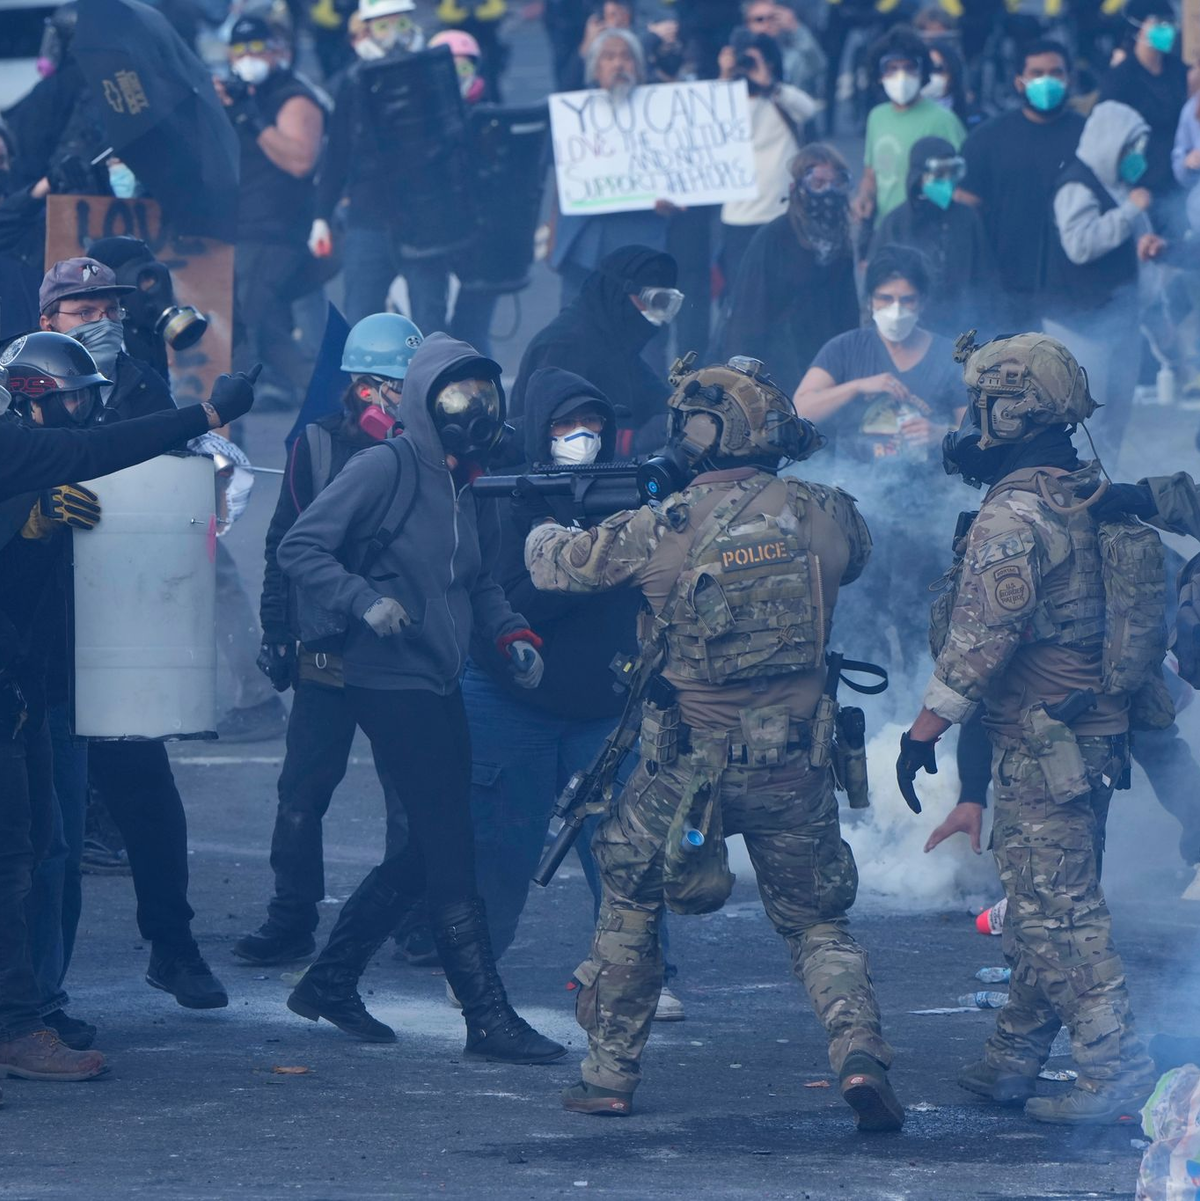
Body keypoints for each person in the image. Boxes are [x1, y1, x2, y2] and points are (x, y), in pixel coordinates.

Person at [524, 356, 903, 1129]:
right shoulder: (825, 511)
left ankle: (608, 1073)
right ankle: (859, 1053)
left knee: (628, 892)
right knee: (815, 920)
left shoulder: (657, 528)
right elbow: (855, 557)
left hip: (685, 768)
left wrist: (551, 519)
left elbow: (552, 566)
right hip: (795, 763)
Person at [275, 333, 565, 1064]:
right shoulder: (385, 466)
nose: (478, 411)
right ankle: (486, 1016)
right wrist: (362, 599)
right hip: (383, 676)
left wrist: (511, 636)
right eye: (460, 397)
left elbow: (479, 581)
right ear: (424, 402)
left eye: (486, 397)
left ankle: (331, 979)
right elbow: (300, 547)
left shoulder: (469, 482)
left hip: (438, 677)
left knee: (429, 842)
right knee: (449, 846)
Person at [898, 332, 1159, 1125]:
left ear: (1010, 409)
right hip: (1087, 738)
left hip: (1042, 747)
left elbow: (979, 646)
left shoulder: (1014, 516)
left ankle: (1117, 1070)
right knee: (1048, 899)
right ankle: (1013, 1055)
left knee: (1058, 915)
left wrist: (922, 734)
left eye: (981, 404)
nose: (970, 420)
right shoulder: (1082, 491)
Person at [0, 331, 256, 1094]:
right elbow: (92, 455)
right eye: (68, 401)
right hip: (17, 689)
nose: (81, 414)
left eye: (87, 399)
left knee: (43, 845)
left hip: (30, 689)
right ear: (29, 401)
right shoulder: (20, 453)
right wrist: (206, 409)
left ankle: (32, 1006)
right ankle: (18, 1024)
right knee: (15, 856)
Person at [464, 365, 684, 1019]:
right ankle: (472, 967)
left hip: (605, 708)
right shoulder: (508, 497)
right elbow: (507, 601)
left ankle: (644, 969)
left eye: (591, 425)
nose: (580, 437)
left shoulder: (630, 495)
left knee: (626, 846)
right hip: (511, 700)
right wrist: (580, 557)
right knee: (502, 845)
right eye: (564, 425)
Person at [235, 313, 424, 967]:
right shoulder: (315, 444)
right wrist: (278, 632)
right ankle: (291, 918)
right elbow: (282, 540)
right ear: (365, 386)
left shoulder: (434, 447)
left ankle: (412, 918)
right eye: (399, 383)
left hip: (402, 652)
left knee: (412, 795)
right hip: (328, 648)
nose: (409, 395)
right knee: (303, 791)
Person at [794, 244, 964, 673]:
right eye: (885, 299)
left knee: (918, 618)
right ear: (869, 301)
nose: (896, 310)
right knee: (858, 621)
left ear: (922, 302)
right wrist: (856, 387)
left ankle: (919, 710)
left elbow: (976, 433)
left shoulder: (947, 356)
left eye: (906, 300)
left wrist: (940, 434)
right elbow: (800, 409)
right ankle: (869, 715)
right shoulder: (846, 350)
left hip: (924, 515)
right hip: (856, 511)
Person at [1041, 100, 1163, 463]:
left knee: (1113, 423)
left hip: (1117, 322)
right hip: (1082, 326)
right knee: (1084, 426)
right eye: (1130, 148)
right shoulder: (1077, 185)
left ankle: (1106, 494)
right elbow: (1080, 245)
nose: (1136, 157)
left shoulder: (1119, 185)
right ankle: (1075, 500)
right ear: (1111, 143)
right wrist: (1129, 212)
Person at [215, 12, 325, 410]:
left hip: (274, 231)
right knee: (274, 327)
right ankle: (328, 395)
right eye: (240, 49)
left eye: (258, 47)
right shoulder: (242, 95)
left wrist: (250, 117)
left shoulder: (292, 96)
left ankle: (232, 404)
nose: (248, 56)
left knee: (241, 321)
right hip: (244, 226)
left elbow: (300, 160)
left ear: (279, 51)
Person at [958, 39, 1084, 333]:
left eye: (1056, 73)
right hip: (1004, 287)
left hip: (1074, 290)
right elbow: (965, 213)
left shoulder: (1090, 136)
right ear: (1019, 82)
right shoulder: (985, 140)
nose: (1046, 81)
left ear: (1070, 79)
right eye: (1037, 73)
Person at [716, 143, 859, 396]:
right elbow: (746, 316)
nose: (828, 192)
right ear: (796, 188)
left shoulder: (840, 241)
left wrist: (852, 363)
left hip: (824, 364)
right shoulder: (773, 237)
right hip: (776, 366)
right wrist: (741, 382)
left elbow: (848, 311)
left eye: (836, 183)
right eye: (818, 183)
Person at [512, 245, 679, 451]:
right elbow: (553, 432)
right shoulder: (565, 347)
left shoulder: (617, 347)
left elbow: (658, 401)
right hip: (549, 477)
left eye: (666, 304)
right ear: (618, 293)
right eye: (654, 301)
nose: (657, 315)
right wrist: (629, 442)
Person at [550, 29, 674, 303]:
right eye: (608, 57)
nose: (618, 64)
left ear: (639, 69)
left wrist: (676, 196)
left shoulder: (663, 112)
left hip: (642, 242)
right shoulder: (572, 113)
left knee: (642, 334)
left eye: (626, 57)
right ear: (595, 69)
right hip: (584, 244)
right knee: (577, 332)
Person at [716, 27, 817, 292]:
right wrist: (726, 75)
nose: (748, 67)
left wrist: (768, 82)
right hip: (739, 216)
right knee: (743, 293)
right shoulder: (724, 98)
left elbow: (808, 109)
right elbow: (707, 126)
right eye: (744, 61)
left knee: (785, 291)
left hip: (783, 212)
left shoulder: (782, 98)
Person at [870, 136, 995, 337]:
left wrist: (989, 330)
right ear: (919, 175)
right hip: (910, 330)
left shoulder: (967, 218)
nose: (947, 181)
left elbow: (986, 278)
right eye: (939, 174)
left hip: (961, 330)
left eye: (952, 173)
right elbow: (875, 283)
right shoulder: (896, 223)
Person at [853, 26, 966, 225]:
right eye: (892, 68)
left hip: (927, 231)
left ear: (922, 72)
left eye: (909, 67)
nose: (901, 76)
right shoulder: (877, 117)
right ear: (879, 76)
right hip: (884, 231)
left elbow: (963, 183)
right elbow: (871, 175)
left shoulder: (943, 120)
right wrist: (864, 197)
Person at [1100, 0, 1187, 210]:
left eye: (1170, 23)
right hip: (1139, 186)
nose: (1166, 29)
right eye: (1158, 23)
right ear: (1138, 28)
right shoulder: (1120, 79)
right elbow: (1106, 136)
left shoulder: (1178, 71)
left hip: (1178, 180)